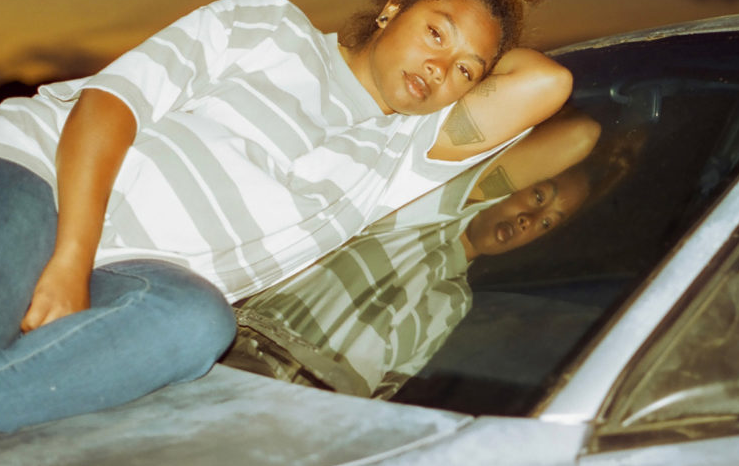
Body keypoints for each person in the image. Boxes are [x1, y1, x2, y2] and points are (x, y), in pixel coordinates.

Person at [0, 0, 569, 466]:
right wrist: (67, 261)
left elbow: (547, 85)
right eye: (437, 33)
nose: (444, 69)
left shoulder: (404, 153)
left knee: (200, 319)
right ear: (393, 6)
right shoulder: (270, 27)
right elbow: (108, 109)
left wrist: (491, 14)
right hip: (39, 174)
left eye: (468, 70)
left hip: (137, 270)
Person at [226, 108, 599, 397]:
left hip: (302, 431)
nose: (530, 221)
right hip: (240, 375)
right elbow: (581, 136)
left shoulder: (454, 301)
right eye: (538, 196)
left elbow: (384, 390)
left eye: (549, 223)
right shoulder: (425, 210)